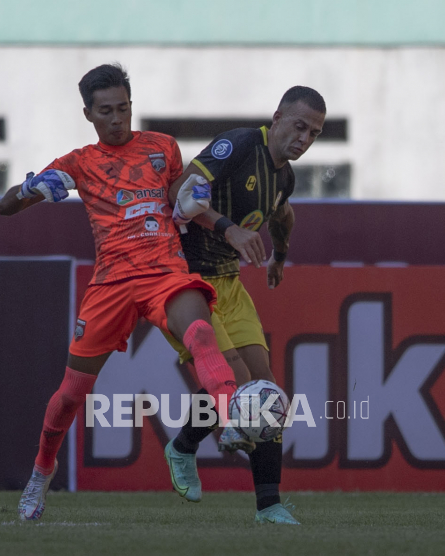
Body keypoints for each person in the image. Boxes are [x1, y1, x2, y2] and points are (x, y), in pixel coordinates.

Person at [0, 63, 238, 522]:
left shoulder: (162, 146)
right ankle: (40, 475)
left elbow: (178, 199)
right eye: (105, 111)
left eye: (123, 108)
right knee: (71, 393)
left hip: (164, 273)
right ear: (88, 114)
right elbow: (5, 207)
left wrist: (191, 196)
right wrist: (31, 187)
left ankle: (231, 420)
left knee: (201, 333)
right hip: (110, 284)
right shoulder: (78, 162)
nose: (117, 118)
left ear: (132, 104)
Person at [162, 86, 326, 525]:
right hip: (185, 280)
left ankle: (269, 506)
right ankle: (183, 447)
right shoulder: (237, 145)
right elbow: (179, 190)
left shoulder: (284, 175)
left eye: (314, 133)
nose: (305, 139)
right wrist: (229, 229)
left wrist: (280, 258)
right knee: (235, 376)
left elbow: (284, 215)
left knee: (267, 391)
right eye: (299, 126)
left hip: (229, 283)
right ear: (276, 118)